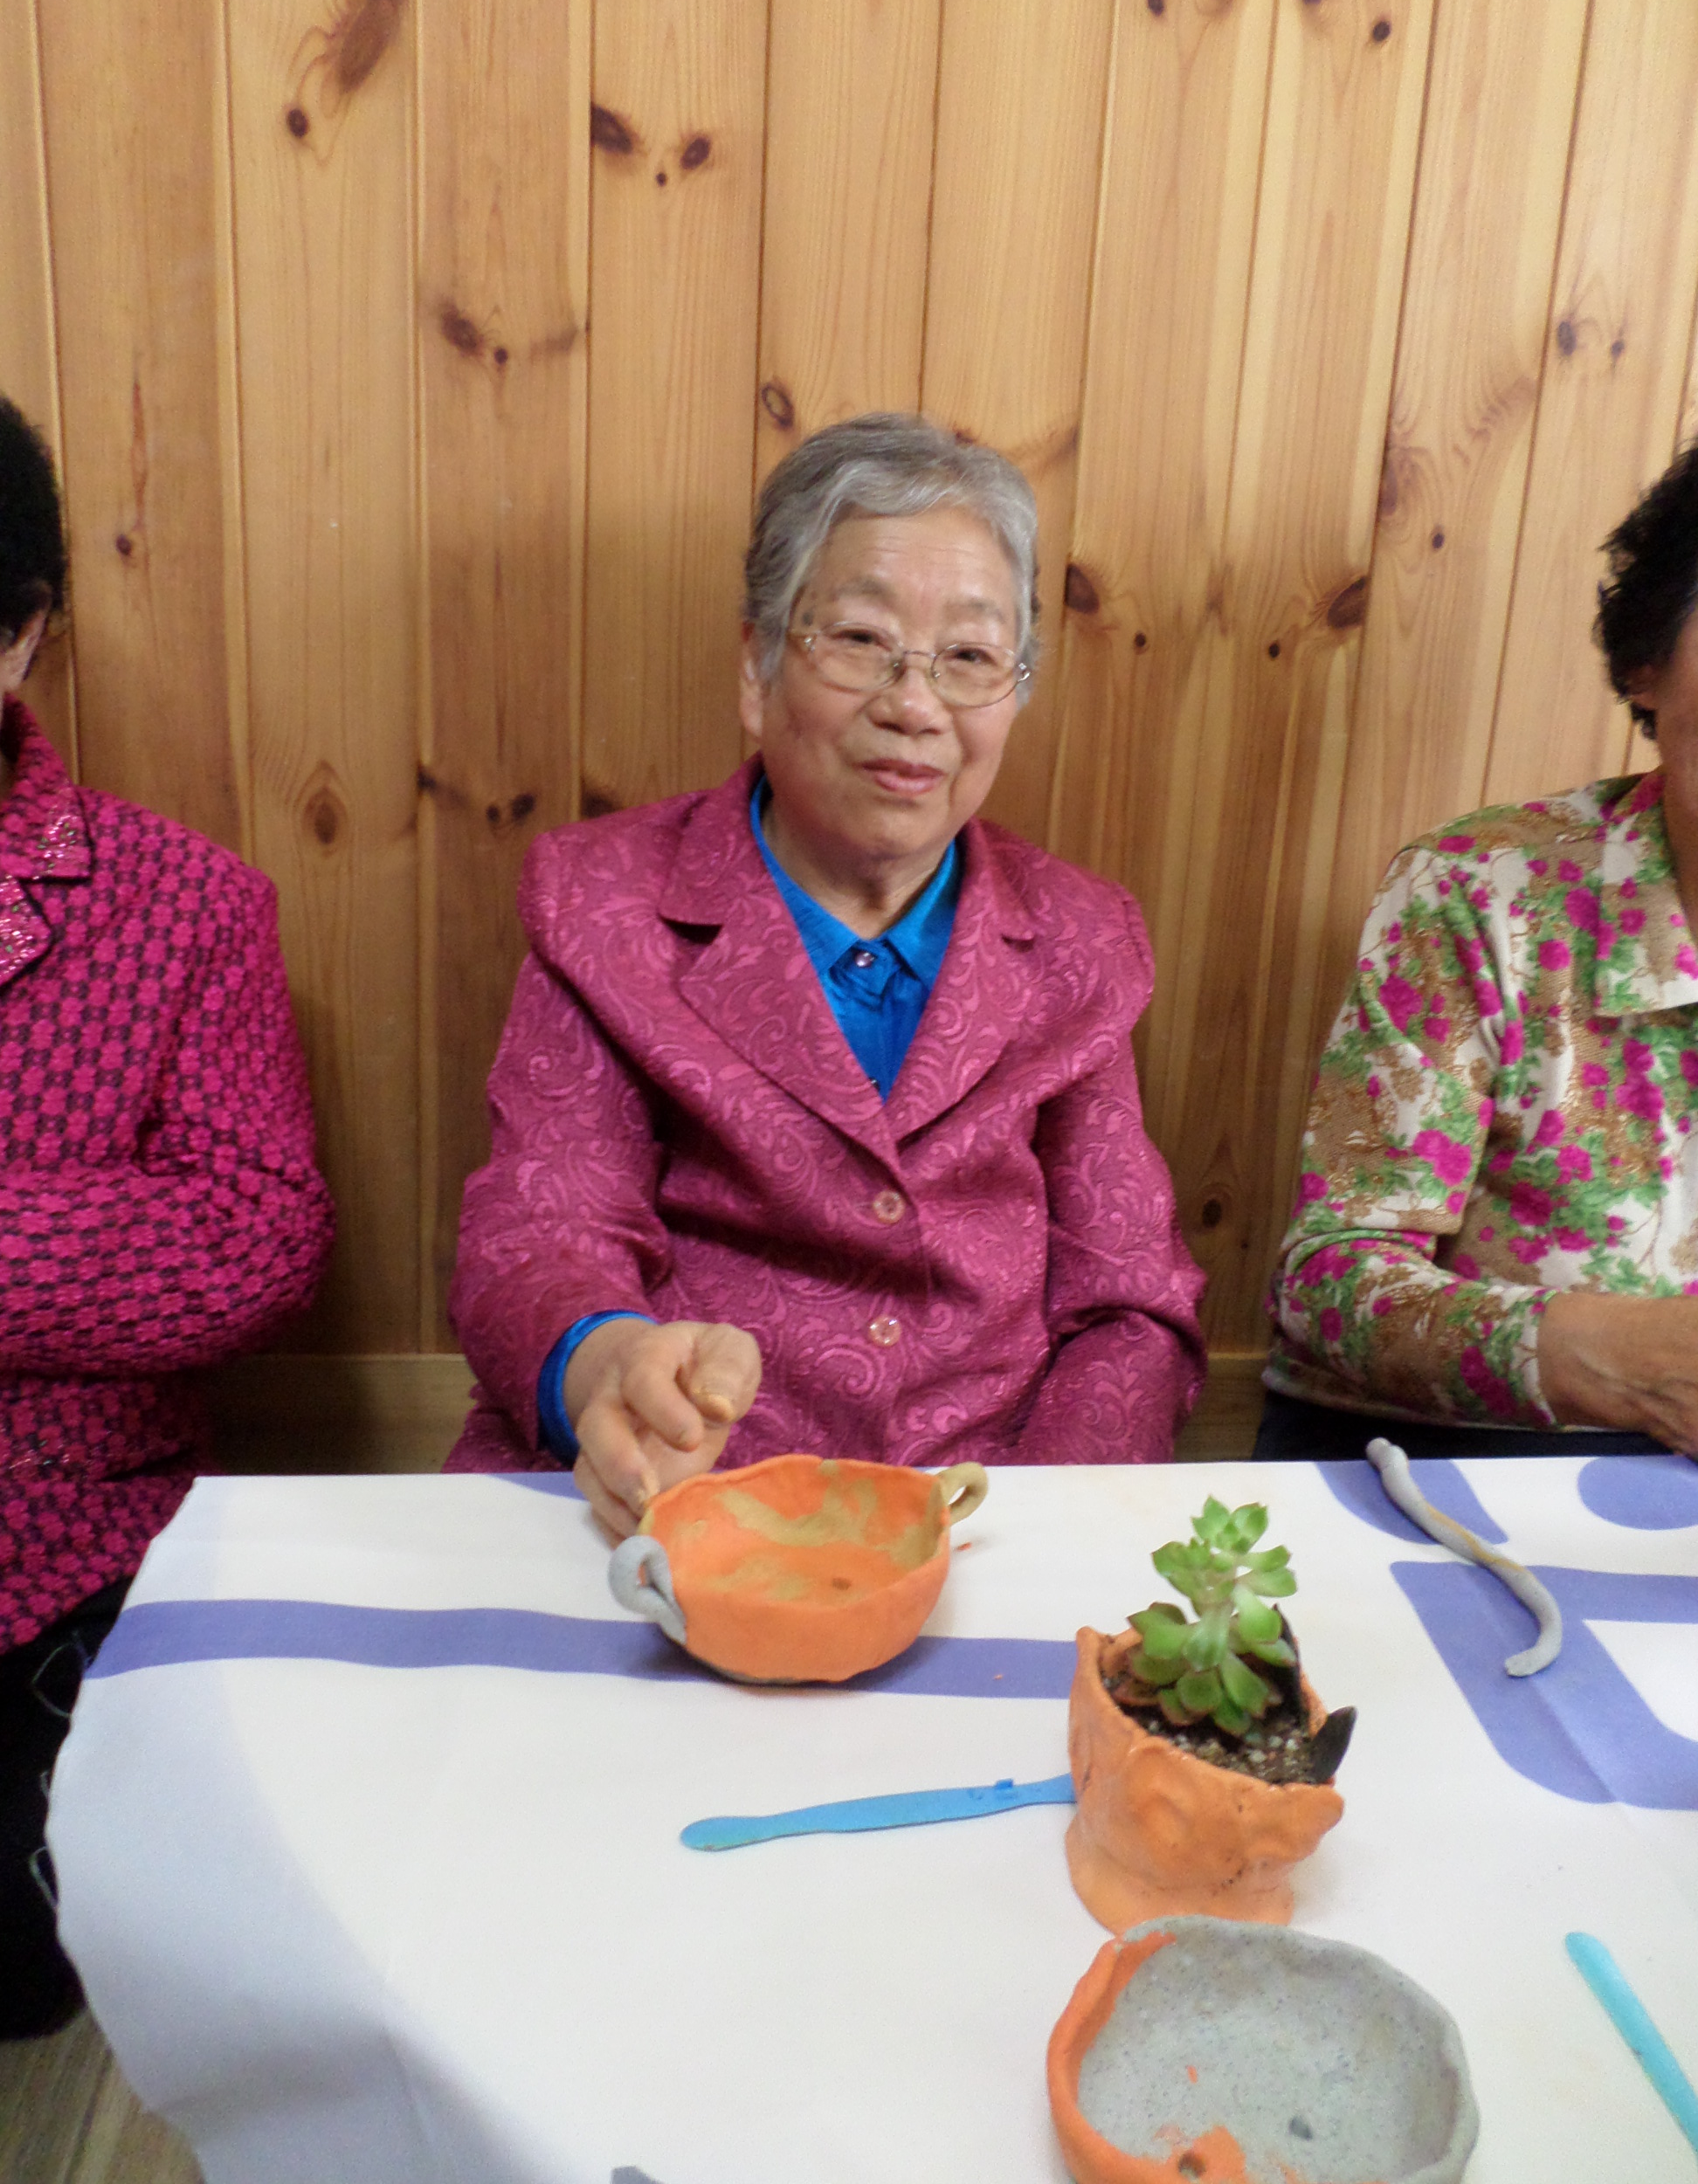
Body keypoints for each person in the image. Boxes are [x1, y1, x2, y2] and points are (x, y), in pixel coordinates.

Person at [447, 413, 1204, 1531]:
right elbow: (541, 1229)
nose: (915, 705)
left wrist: (1036, 1526)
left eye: (969, 658)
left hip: (980, 1515)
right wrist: (607, 1368)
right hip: (675, 1496)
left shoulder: (1080, 941)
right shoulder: (603, 905)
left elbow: (1129, 1303)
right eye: (859, 638)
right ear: (758, 668)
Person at [0, 395, 335, 2036]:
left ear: (20, 637)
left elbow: (255, 1234)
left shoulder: (183, 908)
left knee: (37, 1973)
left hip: (50, 1555)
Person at [1261, 441, 1698, 1461]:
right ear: (1648, 661)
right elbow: (1329, 1283)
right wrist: (1598, 1356)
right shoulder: (1483, 893)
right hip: (1447, 1465)